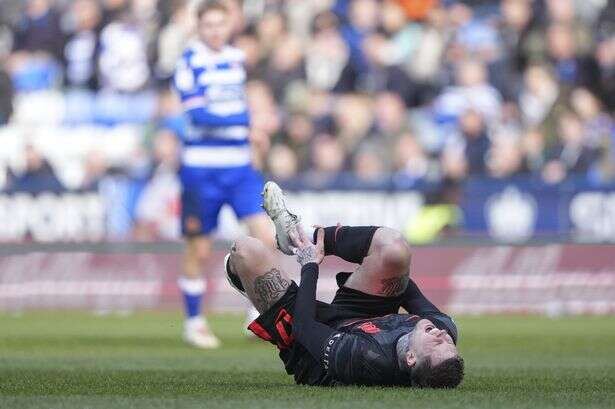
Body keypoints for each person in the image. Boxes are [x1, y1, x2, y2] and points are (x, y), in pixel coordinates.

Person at [224, 182, 464, 387]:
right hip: (362, 316)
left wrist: (310, 264)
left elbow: (304, 327)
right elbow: (406, 284)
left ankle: (242, 277)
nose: (442, 334)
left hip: (309, 344)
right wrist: (365, 257)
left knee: (245, 251)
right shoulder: (442, 328)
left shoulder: (367, 359)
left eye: (437, 342)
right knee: (395, 252)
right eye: (450, 342)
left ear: (411, 358)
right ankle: (300, 237)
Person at [172, 0, 273, 348]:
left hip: (238, 167)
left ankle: (255, 313)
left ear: (230, 25)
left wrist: (252, 137)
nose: (215, 30)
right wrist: (247, 122)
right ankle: (194, 321)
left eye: (220, 24)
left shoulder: (236, 60)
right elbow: (199, 117)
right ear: (199, 27)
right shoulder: (189, 61)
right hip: (201, 171)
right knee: (198, 249)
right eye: (208, 25)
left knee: (264, 236)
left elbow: (238, 106)